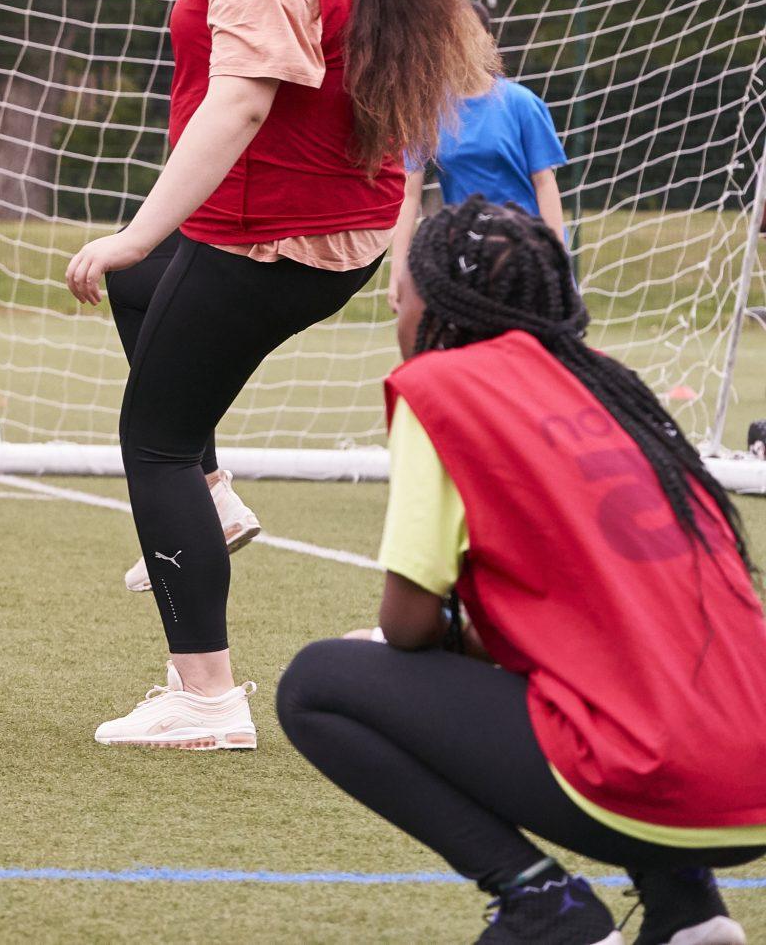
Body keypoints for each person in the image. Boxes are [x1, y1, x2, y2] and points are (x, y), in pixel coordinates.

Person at [64, 0, 493, 751]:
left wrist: (133, 233)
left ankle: (203, 696)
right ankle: (213, 500)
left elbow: (239, 108)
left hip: (269, 238)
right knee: (147, 299)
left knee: (153, 437)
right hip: (339, 230)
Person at [281, 198, 766, 945]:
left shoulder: (443, 387)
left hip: (660, 779)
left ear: (438, 304)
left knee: (319, 685)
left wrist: (442, 644)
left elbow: (406, 624)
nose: (396, 313)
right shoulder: (610, 383)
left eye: (400, 296)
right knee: (597, 660)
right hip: (752, 766)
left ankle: (543, 905)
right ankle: (686, 908)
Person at [389, 0, 569, 357]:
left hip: (523, 255)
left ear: (487, 41)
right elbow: (409, 194)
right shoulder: (430, 111)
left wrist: (556, 256)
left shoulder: (520, 104)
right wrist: (398, 268)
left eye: (467, 32)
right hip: (466, 259)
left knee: (536, 358)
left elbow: (545, 184)